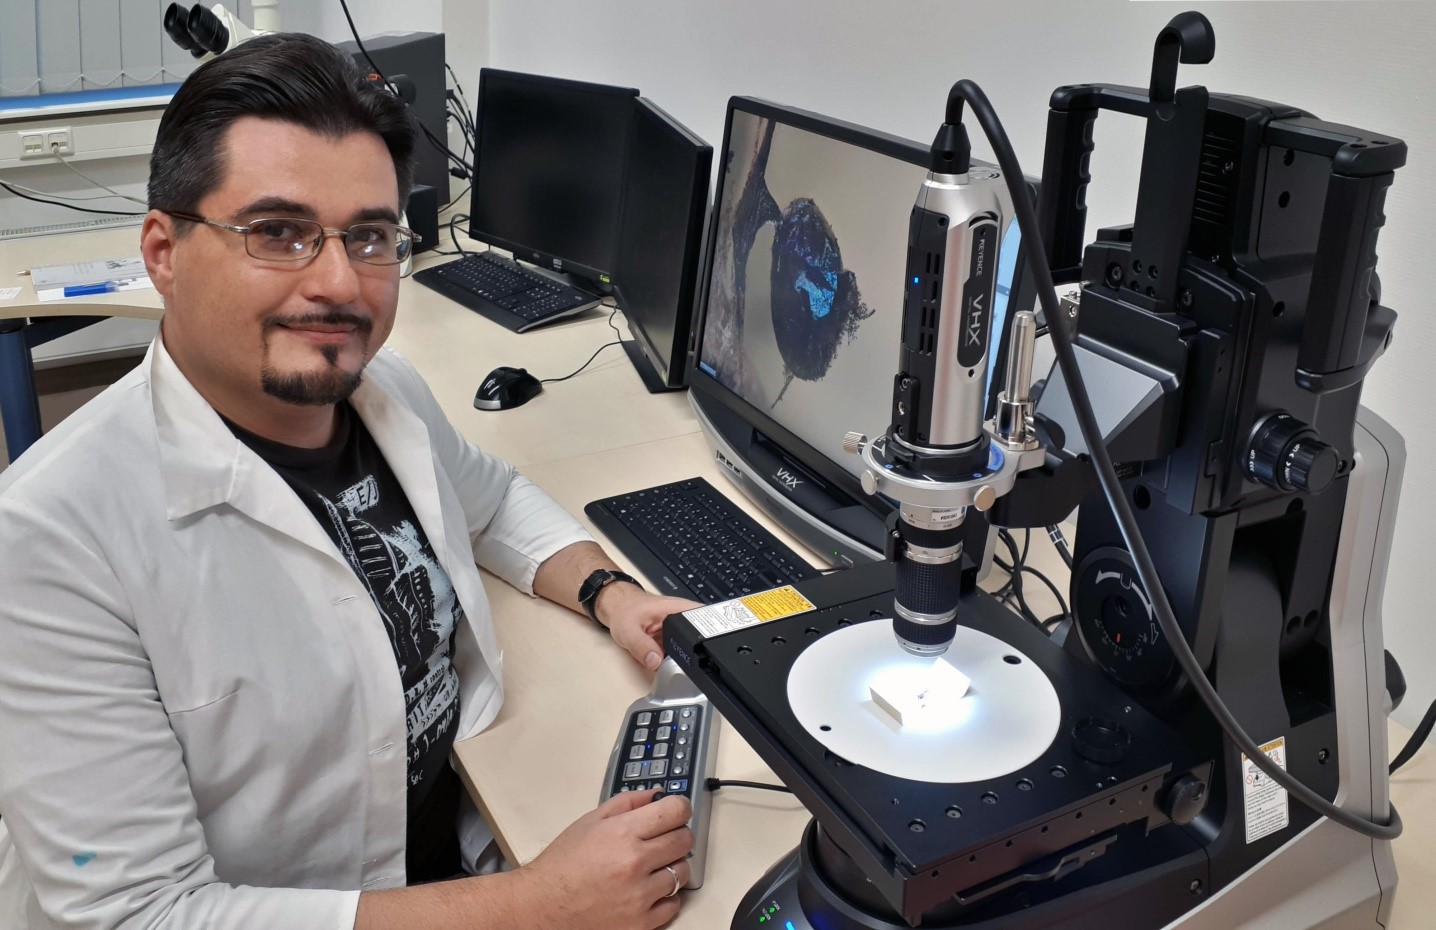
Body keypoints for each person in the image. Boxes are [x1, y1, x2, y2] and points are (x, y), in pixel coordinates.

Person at [0, 33, 698, 930]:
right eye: (279, 233)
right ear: (164, 251)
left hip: (449, 853)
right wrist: (539, 903)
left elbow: (489, 498)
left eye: (368, 236)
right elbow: (138, 915)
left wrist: (610, 594)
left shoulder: (382, 392)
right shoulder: (50, 542)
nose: (339, 283)